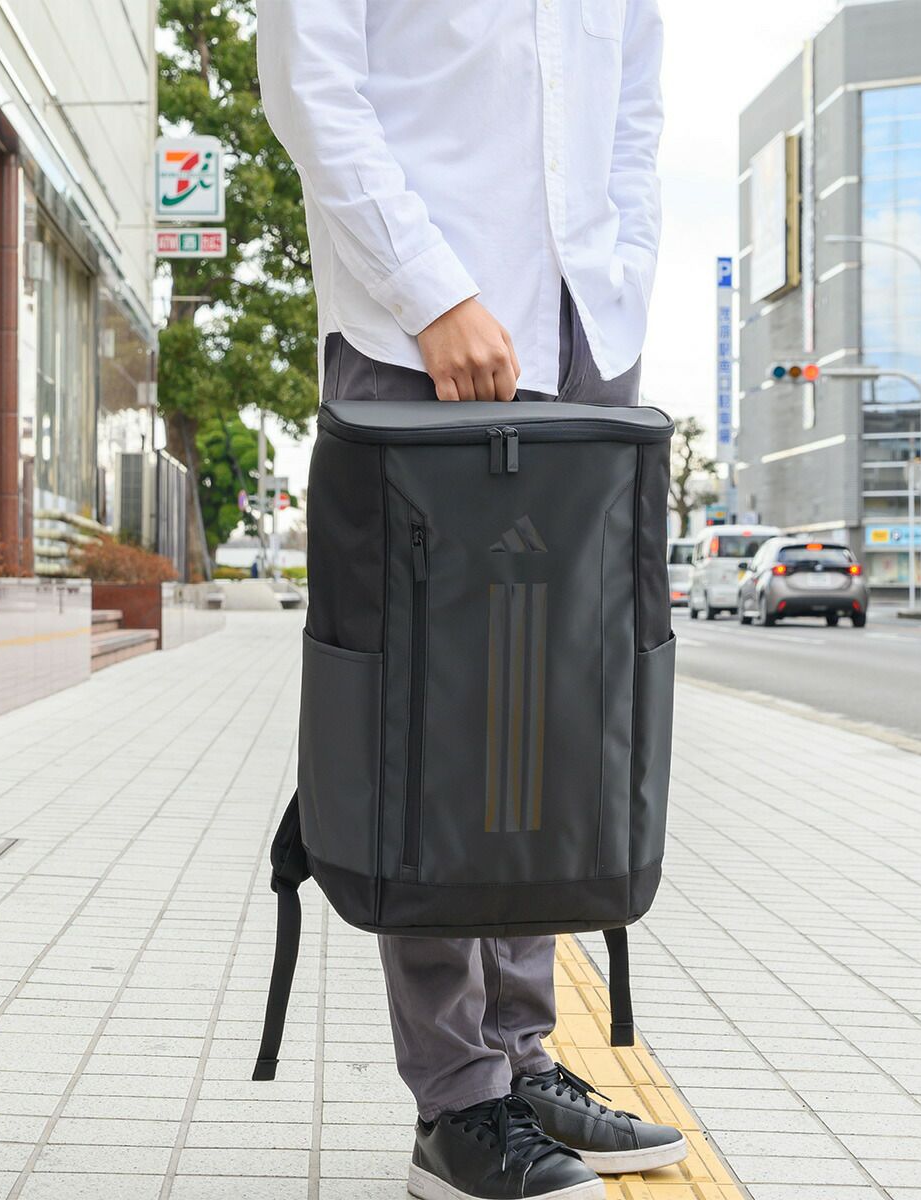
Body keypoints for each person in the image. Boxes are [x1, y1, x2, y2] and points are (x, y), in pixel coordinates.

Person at [257, 3, 685, 1196]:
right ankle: (455, 1102)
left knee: (546, 717)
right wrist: (430, 291)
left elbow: (633, 122)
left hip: (583, 336)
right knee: (436, 722)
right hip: (418, 335)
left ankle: (520, 1058)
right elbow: (310, 83)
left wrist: (619, 286)